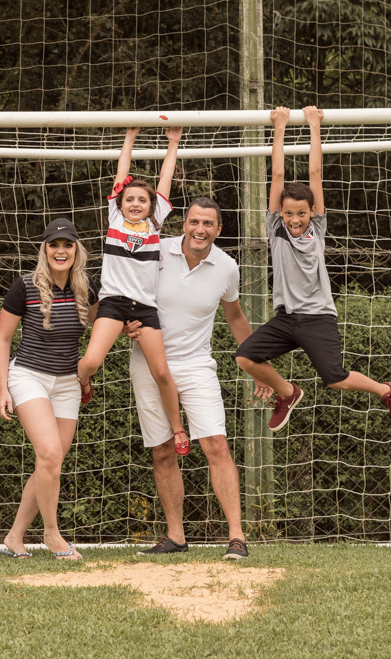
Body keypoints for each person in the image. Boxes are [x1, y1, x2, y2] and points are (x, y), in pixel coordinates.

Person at [235, 105, 391, 432]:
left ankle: (387, 391)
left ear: (312, 212)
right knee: (245, 357)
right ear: (281, 213)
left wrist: (314, 125)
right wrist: (279, 126)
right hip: (287, 317)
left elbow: (315, 175)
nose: (295, 219)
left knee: (336, 380)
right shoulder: (275, 228)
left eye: (301, 213)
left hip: (317, 316)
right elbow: (276, 176)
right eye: (289, 213)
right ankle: (287, 393)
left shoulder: (316, 228)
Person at [127, 197, 269, 561]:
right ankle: (176, 536)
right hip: (147, 362)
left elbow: (236, 318)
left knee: (216, 445)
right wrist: (125, 320)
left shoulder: (227, 267)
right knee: (161, 450)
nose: (199, 229)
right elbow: (126, 291)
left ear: (218, 229)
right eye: (193, 222)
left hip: (195, 365)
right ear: (183, 224)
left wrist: (258, 364)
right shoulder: (157, 250)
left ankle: (236, 537)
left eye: (208, 224)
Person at [76, 126, 191, 455]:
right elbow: (121, 175)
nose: (137, 203)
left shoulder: (155, 224)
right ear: (120, 203)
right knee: (90, 362)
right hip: (112, 304)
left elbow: (164, 180)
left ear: (152, 206)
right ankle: (84, 383)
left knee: (161, 373)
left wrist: (173, 143)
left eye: (143, 199)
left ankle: (178, 426)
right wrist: (129, 137)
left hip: (144, 309)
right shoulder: (115, 220)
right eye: (131, 199)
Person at [0, 218, 98, 560]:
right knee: (50, 454)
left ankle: (14, 536)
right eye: (54, 245)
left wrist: (133, 329)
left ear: (76, 250)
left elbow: (102, 326)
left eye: (67, 244)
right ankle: (52, 535)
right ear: (45, 249)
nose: (61, 250)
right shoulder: (24, 286)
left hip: (67, 384)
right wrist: (2, 389)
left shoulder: (87, 288)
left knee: (50, 463)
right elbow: (3, 338)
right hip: (28, 377)